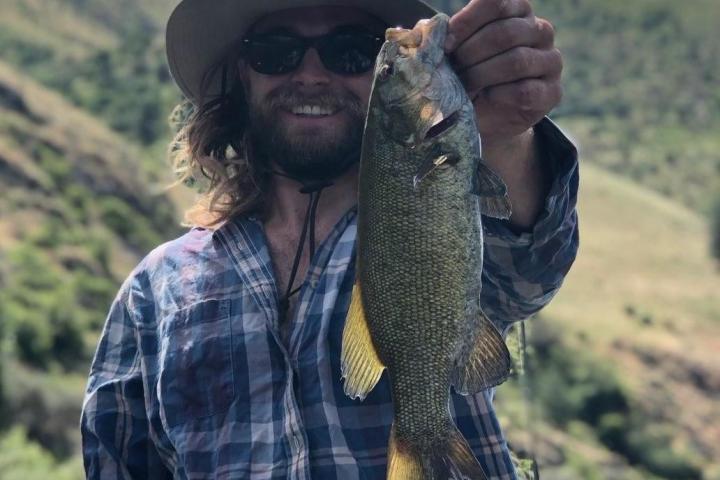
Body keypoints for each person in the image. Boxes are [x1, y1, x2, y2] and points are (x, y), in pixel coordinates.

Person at [80, 0, 579, 478]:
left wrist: (510, 134)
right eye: (274, 51)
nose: (312, 75)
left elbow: (527, 271)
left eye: (351, 51)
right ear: (241, 74)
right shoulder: (153, 290)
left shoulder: (443, 208)